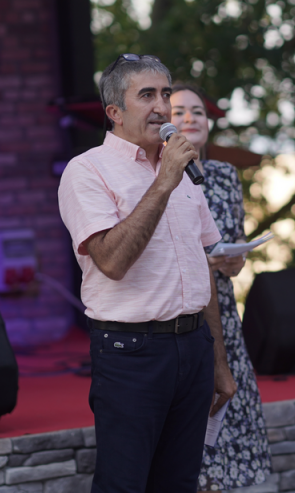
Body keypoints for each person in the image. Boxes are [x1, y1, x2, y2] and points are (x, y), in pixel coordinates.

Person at [57, 54, 236, 493]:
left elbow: (202, 266)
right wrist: (164, 181)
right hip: (131, 353)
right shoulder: (87, 170)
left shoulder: (182, 169)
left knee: (179, 482)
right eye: (147, 95)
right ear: (115, 112)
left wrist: (217, 360)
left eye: (165, 94)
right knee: (125, 484)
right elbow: (112, 262)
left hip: (193, 346)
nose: (162, 106)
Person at [171, 83, 273, 492]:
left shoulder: (225, 175)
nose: (190, 118)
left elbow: (234, 241)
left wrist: (236, 259)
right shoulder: (157, 175)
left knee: (236, 405)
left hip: (225, 313)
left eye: (198, 112)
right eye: (179, 112)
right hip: (182, 310)